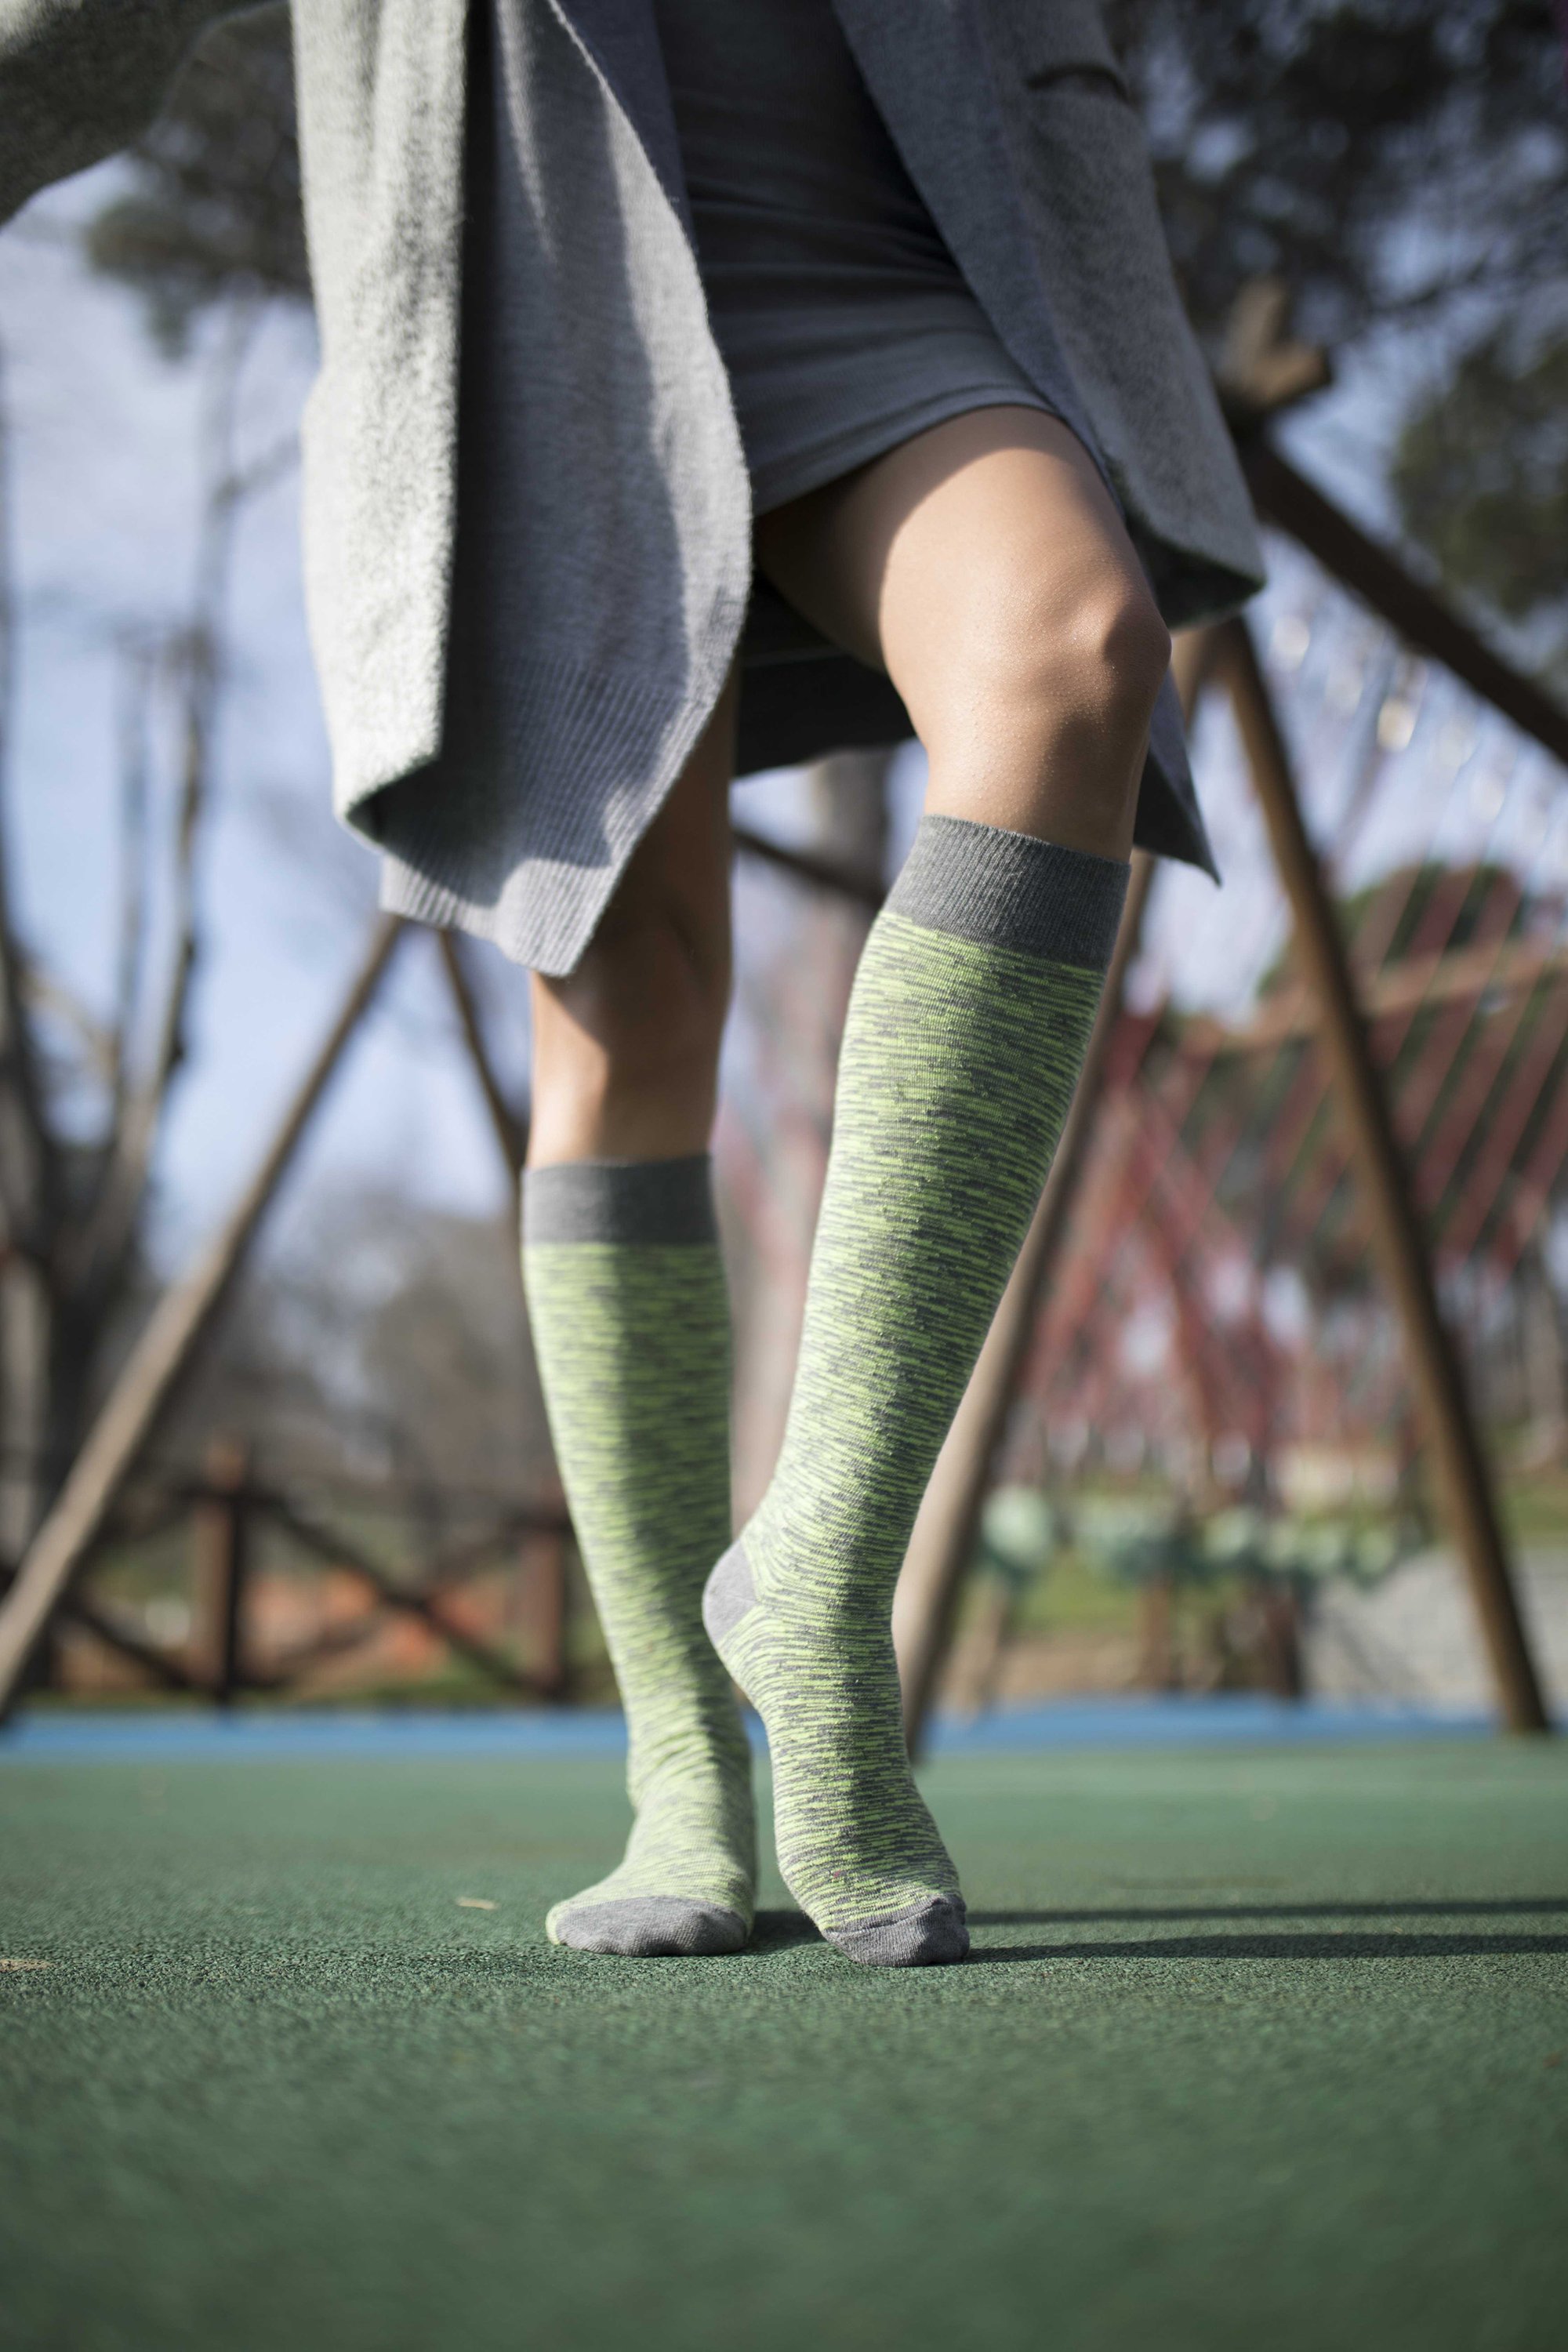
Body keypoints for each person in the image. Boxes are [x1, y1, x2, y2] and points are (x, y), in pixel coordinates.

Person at [1, 0, 1262, 1964]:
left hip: (894, 241)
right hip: (540, 285)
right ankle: (681, 1754)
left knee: (1072, 652)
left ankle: (818, 1581)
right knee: (628, 995)